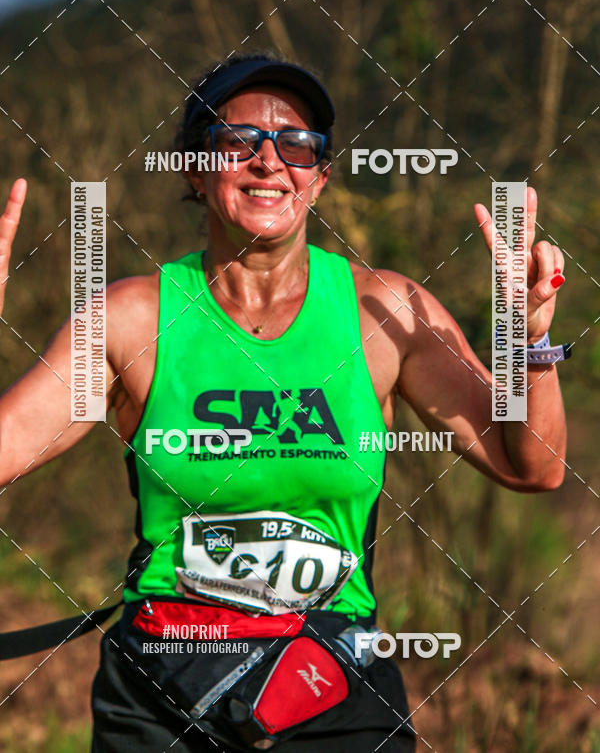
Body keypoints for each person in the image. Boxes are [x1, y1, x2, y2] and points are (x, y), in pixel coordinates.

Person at [0, 53, 567, 752]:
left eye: (296, 143)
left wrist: (529, 342)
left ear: (319, 178)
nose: (269, 160)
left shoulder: (382, 312)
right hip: (163, 689)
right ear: (195, 170)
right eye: (238, 141)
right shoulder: (131, 320)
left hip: (331, 680)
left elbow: (534, 468)